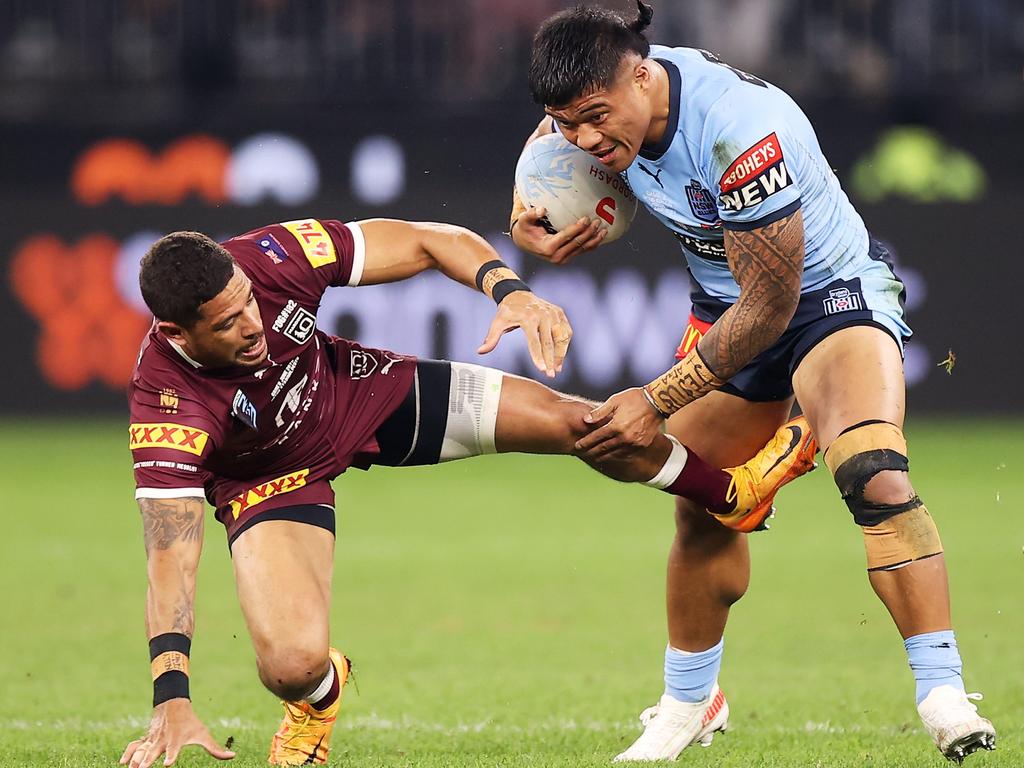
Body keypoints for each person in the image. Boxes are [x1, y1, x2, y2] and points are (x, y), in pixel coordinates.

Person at [118, 216, 816, 768]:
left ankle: (733, 493)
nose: (254, 325)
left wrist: (510, 292)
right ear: (177, 333)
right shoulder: (165, 406)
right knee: (291, 667)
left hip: (358, 395)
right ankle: (317, 702)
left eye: (248, 303)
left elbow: (426, 241)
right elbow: (170, 558)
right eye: (229, 323)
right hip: (271, 479)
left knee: (586, 424)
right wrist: (171, 696)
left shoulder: (271, 257)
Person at [510, 3, 995, 763]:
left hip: (826, 299)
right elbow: (553, 136)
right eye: (569, 124)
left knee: (873, 474)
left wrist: (656, 396)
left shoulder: (740, 133)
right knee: (701, 506)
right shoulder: (598, 102)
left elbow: (770, 308)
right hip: (724, 309)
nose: (588, 141)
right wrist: (525, 208)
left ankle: (942, 693)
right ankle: (690, 703)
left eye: (597, 119)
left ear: (643, 76)